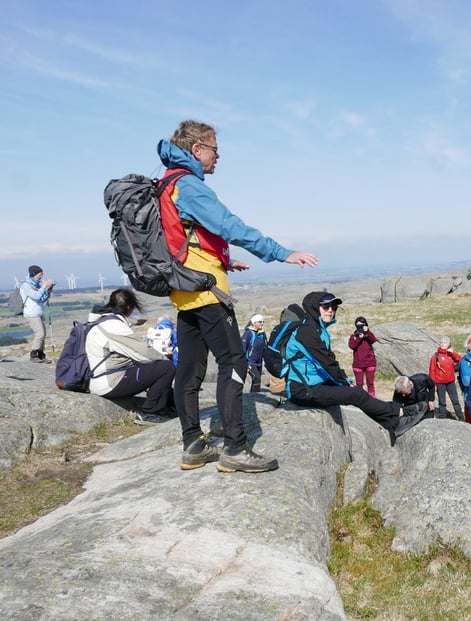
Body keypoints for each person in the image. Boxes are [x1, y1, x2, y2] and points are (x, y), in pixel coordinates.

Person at [159, 120, 319, 474]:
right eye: (215, 149)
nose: (218, 157)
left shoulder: (167, 184)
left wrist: (225, 260)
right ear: (197, 149)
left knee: (189, 369)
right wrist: (280, 252)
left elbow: (184, 235)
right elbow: (230, 225)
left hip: (184, 290)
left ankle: (193, 445)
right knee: (235, 363)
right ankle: (235, 447)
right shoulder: (189, 186)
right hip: (207, 291)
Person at [285, 292, 424, 444]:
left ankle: (391, 424)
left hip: (314, 383)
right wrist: (344, 382)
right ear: (314, 307)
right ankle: (398, 412)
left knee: (357, 391)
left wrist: (344, 379)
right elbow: (326, 362)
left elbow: (328, 360)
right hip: (302, 390)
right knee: (355, 394)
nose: (330, 310)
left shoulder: (317, 329)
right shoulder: (307, 331)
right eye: (325, 306)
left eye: (334, 306)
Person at [85, 288, 177, 425]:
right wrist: (164, 359)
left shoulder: (100, 322)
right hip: (110, 381)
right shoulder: (114, 326)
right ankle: (149, 412)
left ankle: (171, 405)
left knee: (155, 368)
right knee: (166, 367)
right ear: (129, 307)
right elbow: (141, 352)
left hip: (99, 378)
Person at [20, 265, 55, 364]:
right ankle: (34, 354)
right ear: (33, 274)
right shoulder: (26, 285)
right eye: (40, 275)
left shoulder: (36, 284)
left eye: (42, 275)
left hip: (39, 312)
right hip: (31, 313)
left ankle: (40, 354)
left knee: (43, 335)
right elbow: (35, 296)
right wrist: (44, 286)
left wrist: (48, 292)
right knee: (40, 333)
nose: (41, 277)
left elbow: (41, 298)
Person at [428, 336, 463, 420]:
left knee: (455, 401)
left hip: (450, 382)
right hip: (440, 383)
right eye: (442, 342)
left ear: (449, 345)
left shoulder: (450, 354)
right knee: (442, 402)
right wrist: (433, 384)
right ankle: (443, 418)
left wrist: (453, 352)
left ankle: (461, 418)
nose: (443, 344)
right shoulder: (435, 356)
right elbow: (432, 371)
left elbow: (460, 360)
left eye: (445, 343)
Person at [348, 316, 378, 397]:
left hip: (370, 363)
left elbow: (373, 340)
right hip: (358, 364)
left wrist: (367, 332)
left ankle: (372, 399)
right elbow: (351, 346)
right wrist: (359, 338)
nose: (360, 327)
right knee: (359, 384)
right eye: (358, 325)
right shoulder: (354, 336)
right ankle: (360, 398)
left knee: (370, 383)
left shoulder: (368, 335)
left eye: (362, 325)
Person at [241, 314, 266, 393]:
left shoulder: (262, 333)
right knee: (256, 378)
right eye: (260, 322)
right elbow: (242, 349)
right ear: (254, 323)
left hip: (259, 362)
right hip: (250, 362)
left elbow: (265, 347)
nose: (262, 323)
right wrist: (245, 363)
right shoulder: (248, 333)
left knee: (258, 380)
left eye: (263, 321)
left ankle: (255, 396)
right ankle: (253, 397)